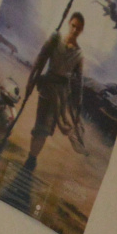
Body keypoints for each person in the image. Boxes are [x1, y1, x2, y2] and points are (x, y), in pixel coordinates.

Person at [21, 11, 86, 175]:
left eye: (78, 28)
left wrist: (78, 106)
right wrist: (30, 82)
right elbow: (40, 60)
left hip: (60, 95)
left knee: (45, 127)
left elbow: (79, 83)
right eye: (73, 26)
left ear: (81, 31)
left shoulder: (79, 54)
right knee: (40, 124)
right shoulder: (56, 38)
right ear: (69, 23)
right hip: (46, 88)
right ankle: (31, 157)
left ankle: (32, 159)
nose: (74, 30)